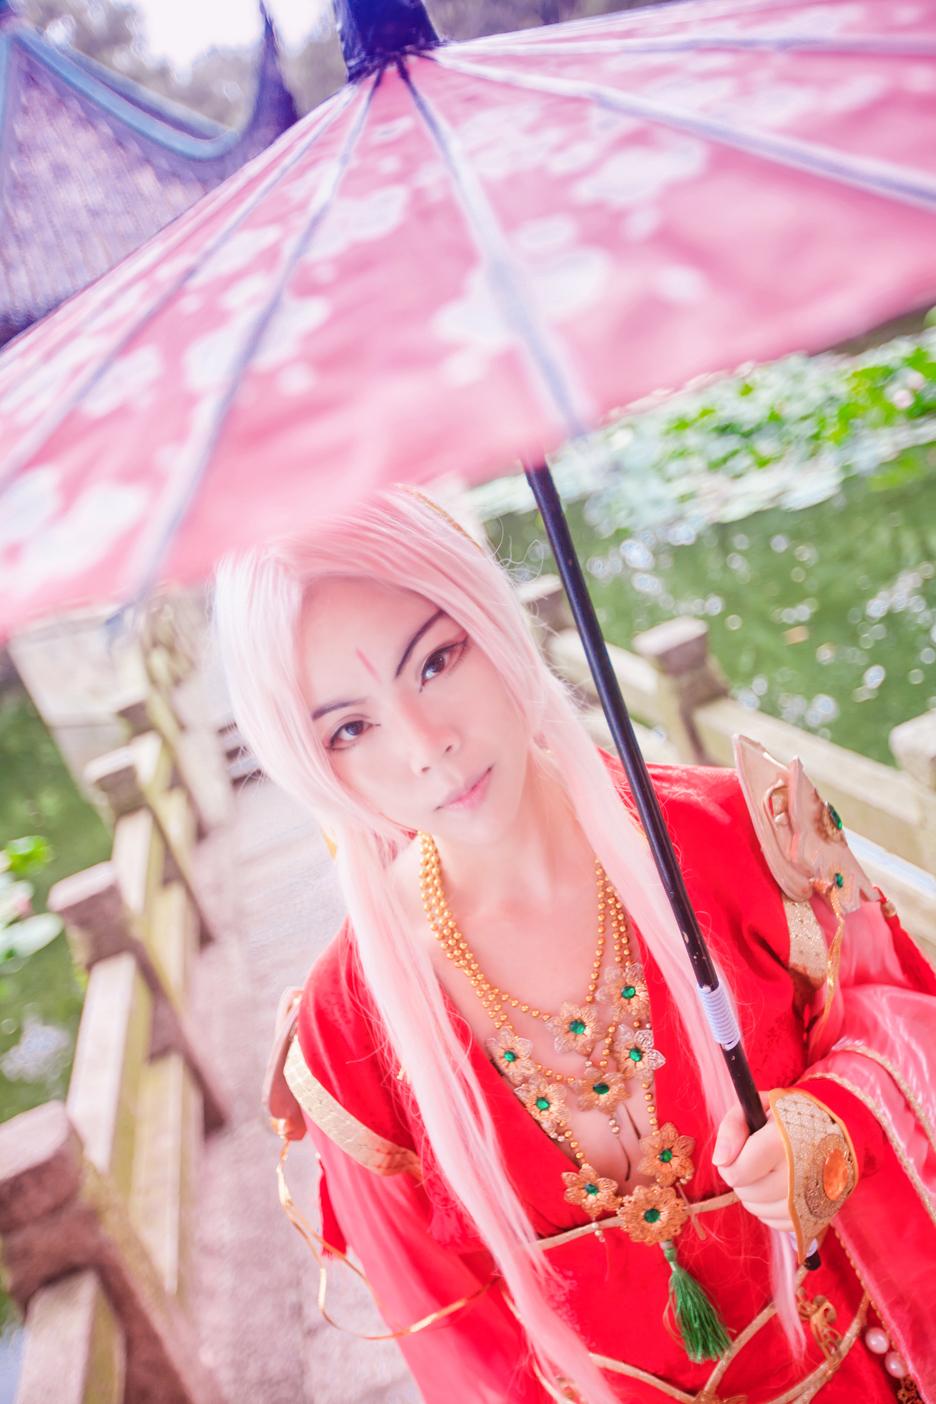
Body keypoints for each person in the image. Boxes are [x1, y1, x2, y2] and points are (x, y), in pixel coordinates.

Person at [214, 486, 935, 1404]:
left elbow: (903, 1014)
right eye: (351, 728)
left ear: (493, 619)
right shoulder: (344, 1037)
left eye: (436, 661)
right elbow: (465, 1361)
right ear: (311, 762)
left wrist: (831, 1127)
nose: (427, 747)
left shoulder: (735, 834)